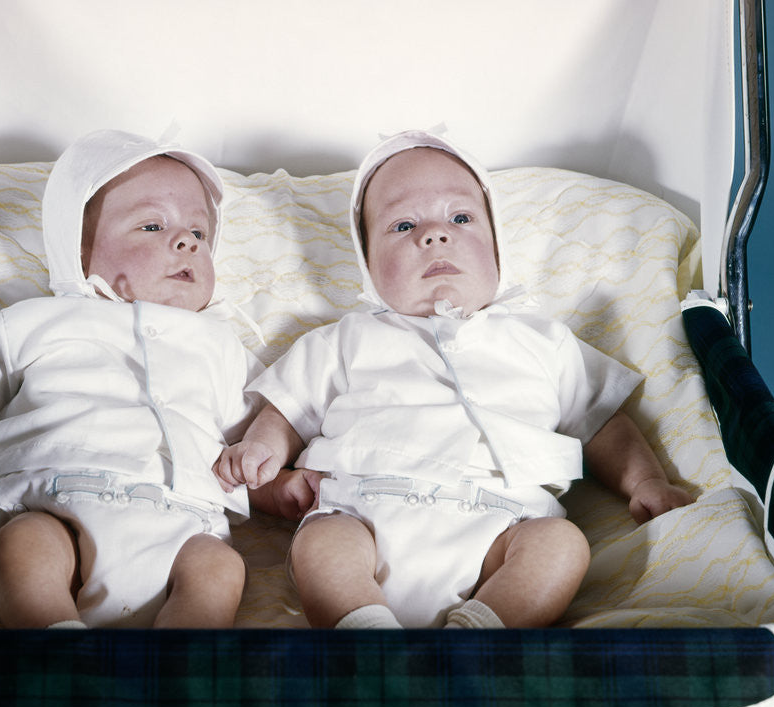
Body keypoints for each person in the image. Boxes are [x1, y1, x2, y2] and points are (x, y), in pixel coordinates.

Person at [0, 129, 302, 629]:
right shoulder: (36, 321)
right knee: (23, 546)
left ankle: (173, 672)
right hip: (53, 502)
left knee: (220, 568)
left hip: (181, 523)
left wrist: (276, 481)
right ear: (80, 248)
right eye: (153, 226)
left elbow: (256, 438)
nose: (184, 241)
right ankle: (57, 650)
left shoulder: (219, 346)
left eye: (198, 234)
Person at [214, 129, 693, 630]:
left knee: (562, 545)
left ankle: (480, 632)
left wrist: (646, 481)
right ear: (368, 265)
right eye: (403, 225)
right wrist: (262, 449)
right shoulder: (346, 339)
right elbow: (285, 410)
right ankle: (363, 627)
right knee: (322, 545)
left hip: (506, 524)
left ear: (496, 244)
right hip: (366, 514)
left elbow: (604, 424)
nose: (434, 235)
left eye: (460, 218)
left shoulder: (544, 340)